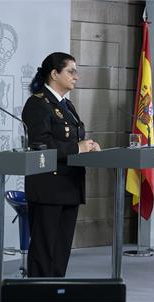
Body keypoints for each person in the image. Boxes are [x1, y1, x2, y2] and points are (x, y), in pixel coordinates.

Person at [22, 52, 100, 277]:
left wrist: (88, 146)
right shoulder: (38, 103)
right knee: (44, 250)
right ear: (54, 74)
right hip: (48, 186)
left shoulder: (67, 105)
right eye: (71, 71)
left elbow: (73, 139)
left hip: (70, 185)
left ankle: (55, 291)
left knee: (61, 250)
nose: (76, 76)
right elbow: (40, 143)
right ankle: (38, 295)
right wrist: (77, 148)